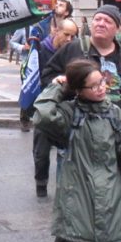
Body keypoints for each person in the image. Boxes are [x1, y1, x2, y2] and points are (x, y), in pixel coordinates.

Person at [33, 59, 121, 242]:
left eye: (102, 82)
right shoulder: (68, 113)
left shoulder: (114, 113)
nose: (101, 88)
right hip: (77, 199)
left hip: (110, 199)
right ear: (78, 90)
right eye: (93, 86)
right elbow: (42, 116)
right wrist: (57, 87)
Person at [32, 18, 78, 197]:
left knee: (66, 150)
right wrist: (54, 81)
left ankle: (64, 189)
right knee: (41, 152)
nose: (69, 39)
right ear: (55, 31)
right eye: (66, 34)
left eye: (73, 36)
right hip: (44, 105)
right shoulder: (41, 50)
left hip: (65, 106)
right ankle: (41, 183)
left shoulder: (74, 50)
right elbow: (35, 77)